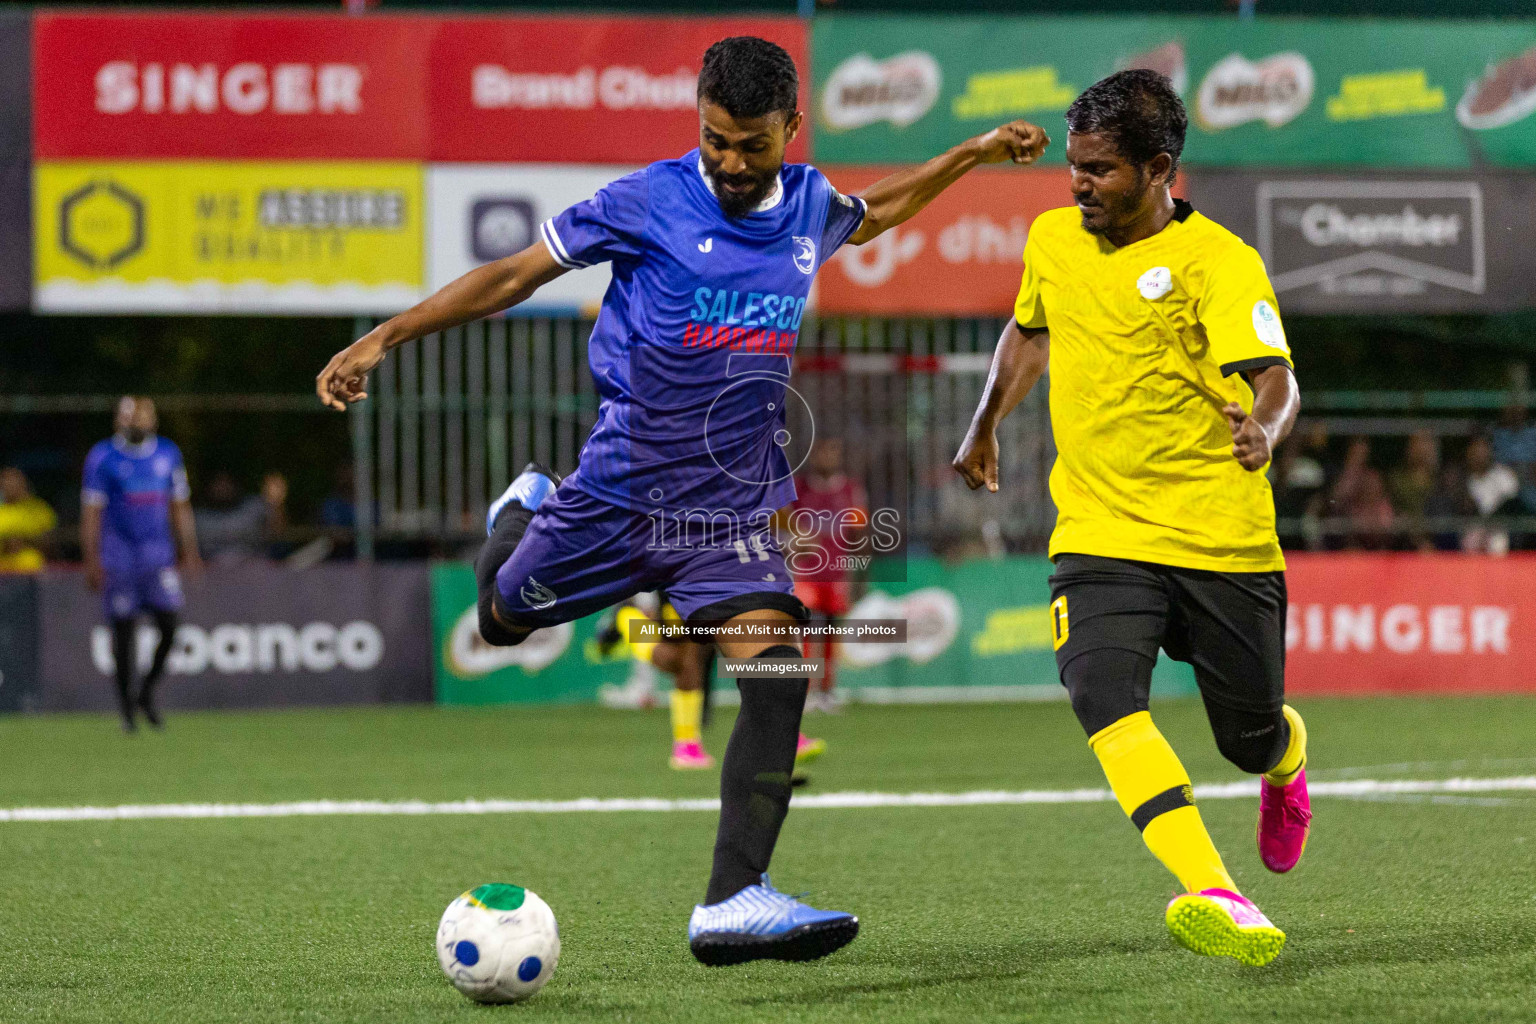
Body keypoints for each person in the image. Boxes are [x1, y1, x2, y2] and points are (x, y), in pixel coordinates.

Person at [315, 35, 1049, 967]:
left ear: (792, 127)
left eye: (752, 143)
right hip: (618, 493)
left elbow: (883, 208)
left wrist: (972, 154)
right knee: (500, 618)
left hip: (730, 512)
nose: (733, 163)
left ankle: (733, 899)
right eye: (716, 141)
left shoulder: (812, 205)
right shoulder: (646, 200)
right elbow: (514, 275)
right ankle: (524, 509)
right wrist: (387, 336)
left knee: (778, 676)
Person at [953, 70, 1306, 967]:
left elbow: (1276, 374)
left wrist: (1262, 432)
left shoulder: (1220, 261)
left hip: (1220, 534)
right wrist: (985, 421)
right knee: (1101, 692)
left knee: (1246, 737)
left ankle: (1286, 759)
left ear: (1160, 169)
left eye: (1100, 171)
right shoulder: (1052, 240)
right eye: (1073, 167)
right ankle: (1216, 891)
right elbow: (1031, 330)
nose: (1078, 186)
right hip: (1101, 531)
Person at [81, 397, 201, 732]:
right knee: (124, 633)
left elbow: (180, 505)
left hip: (158, 556)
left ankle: (145, 693)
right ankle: (126, 712)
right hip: (119, 556)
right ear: (118, 419)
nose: (135, 420)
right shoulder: (102, 457)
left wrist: (189, 548)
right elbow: (92, 511)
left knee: (170, 628)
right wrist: (91, 558)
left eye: (142, 414)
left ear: (153, 420)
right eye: (129, 414)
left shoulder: (167, 454)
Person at [788, 437, 868, 714]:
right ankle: (806, 690)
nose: (828, 459)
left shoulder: (850, 490)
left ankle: (827, 690)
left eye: (833, 453)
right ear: (813, 456)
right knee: (807, 631)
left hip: (837, 572)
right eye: (823, 453)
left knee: (831, 631)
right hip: (805, 573)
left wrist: (860, 576)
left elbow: (860, 533)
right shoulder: (799, 489)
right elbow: (785, 528)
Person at [1463, 432, 1519, 555]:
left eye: (1483, 447)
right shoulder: (1462, 479)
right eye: (1475, 448)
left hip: (1501, 528)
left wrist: (1490, 522)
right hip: (1472, 529)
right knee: (1471, 541)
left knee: (1498, 542)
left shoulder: (1504, 475)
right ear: (1468, 451)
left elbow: (1513, 505)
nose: (1479, 453)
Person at [1386, 430, 1440, 551]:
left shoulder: (1442, 481)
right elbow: (1396, 514)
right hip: (1405, 545)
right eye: (1417, 441)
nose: (1422, 447)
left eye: (1426, 441)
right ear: (1409, 447)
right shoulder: (1397, 480)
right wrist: (1420, 542)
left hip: (1440, 547)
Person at [0, 467, 57, 573]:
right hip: (3, 573)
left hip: (33, 571)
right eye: (6, 482)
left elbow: (53, 544)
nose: (10, 486)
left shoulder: (39, 509)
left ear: (24, 484)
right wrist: (5, 543)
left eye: (14, 481)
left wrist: (25, 540)